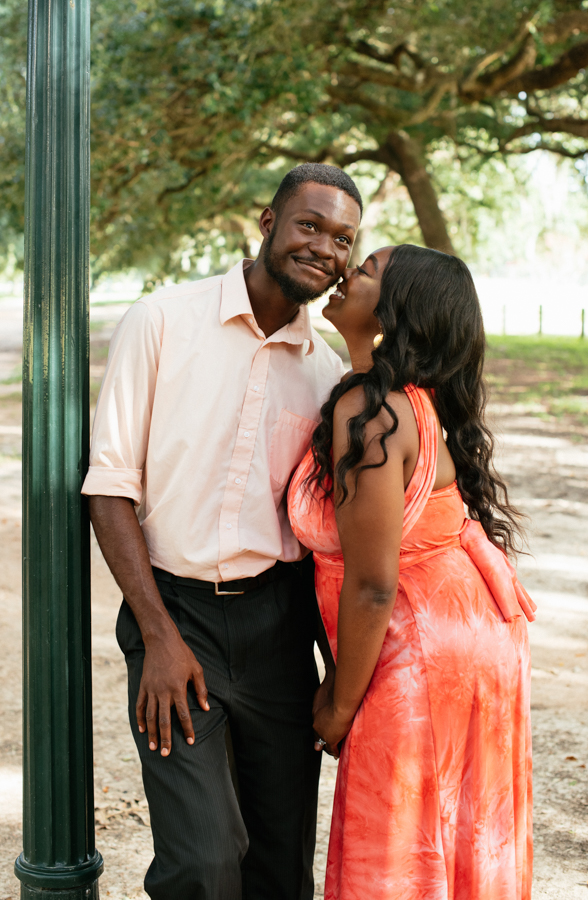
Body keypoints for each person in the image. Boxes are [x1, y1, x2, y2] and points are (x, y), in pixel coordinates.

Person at [82, 163, 363, 900]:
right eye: (310, 225)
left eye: (344, 240)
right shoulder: (162, 320)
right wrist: (158, 636)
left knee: (277, 867)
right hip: (175, 615)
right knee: (202, 863)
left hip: (279, 626)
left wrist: (334, 666)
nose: (325, 249)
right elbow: (109, 487)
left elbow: (322, 534)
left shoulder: (326, 371)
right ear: (267, 223)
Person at [288, 244, 536, 900]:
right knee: (453, 841)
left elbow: (373, 585)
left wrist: (339, 705)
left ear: (394, 311)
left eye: (365, 270)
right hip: (469, 641)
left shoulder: (372, 413)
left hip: (424, 656)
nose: (345, 274)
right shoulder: (407, 402)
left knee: (397, 851)